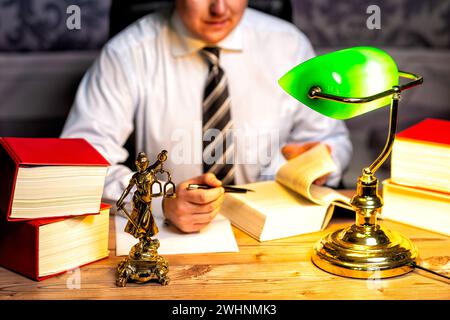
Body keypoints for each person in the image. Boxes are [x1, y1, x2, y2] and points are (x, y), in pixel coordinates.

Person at [61, 0, 352, 233]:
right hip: (170, 235)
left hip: (274, 231)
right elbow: (82, 165)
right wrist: (161, 201)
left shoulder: (289, 44)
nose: (219, 9)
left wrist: (320, 162)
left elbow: (331, 139)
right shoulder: (126, 54)